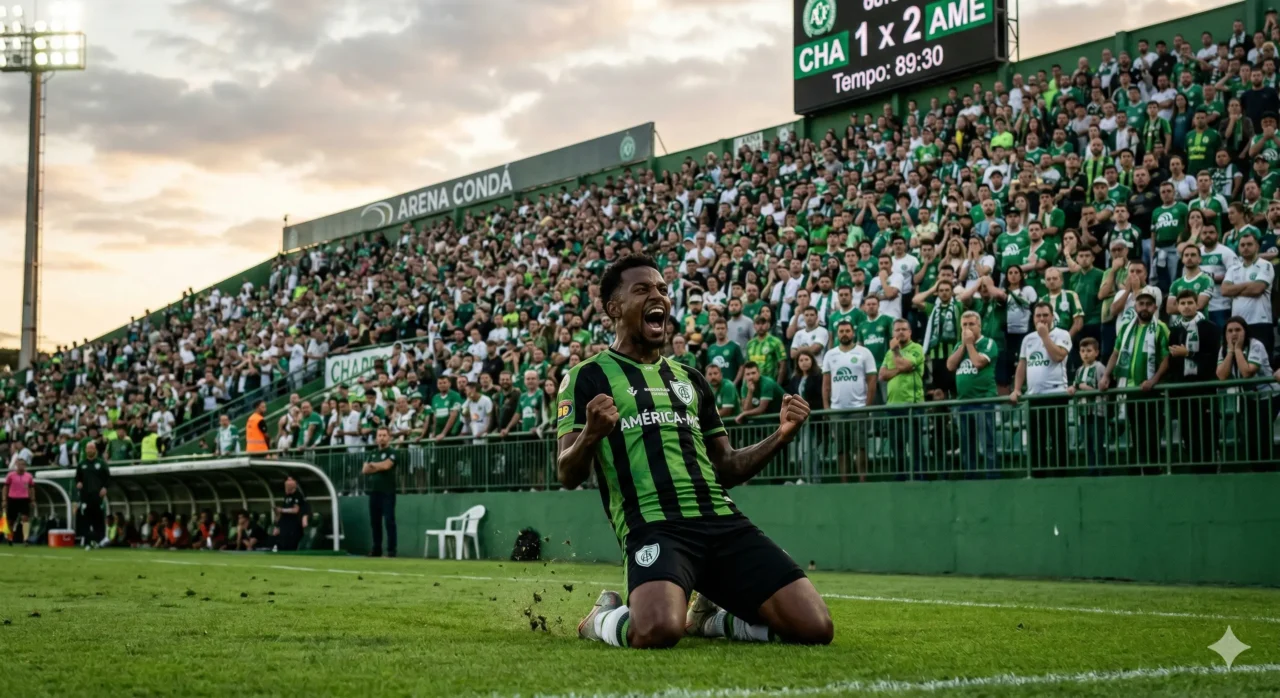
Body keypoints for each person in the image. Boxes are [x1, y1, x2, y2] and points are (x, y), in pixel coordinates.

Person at [557, 256, 831, 650]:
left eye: (663, 289)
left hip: (720, 521)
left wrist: (780, 437)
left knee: (815, 628)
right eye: (643, 290)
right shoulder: (586, 376)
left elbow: (728, 467)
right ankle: (603, 617)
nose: (659, 297)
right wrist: (590, 436)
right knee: (657, 631)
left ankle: (709, 620)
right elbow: (567, 474)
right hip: (654, 525)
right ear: (614, 308)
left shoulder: (690, 378)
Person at [1101, 288, 1170, 470]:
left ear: (1155, 307)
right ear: (1135, 306)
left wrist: (1153, 380)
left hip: (1151, 390)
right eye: (1141, 304)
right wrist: (1107, 376)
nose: (1144, 307)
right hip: (1131, 389)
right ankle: (1140, 468)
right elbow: (1115, 353)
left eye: (1148, 304)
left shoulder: (1160, 327)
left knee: (1151, 433)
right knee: (1136, 433)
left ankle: (1153, 469)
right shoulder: (1126, 327)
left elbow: (1166, 358)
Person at [1012, 303, 1072, 473]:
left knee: (1059, 440)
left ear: (1052, 316)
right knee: (1036, 442)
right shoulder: (1028, 339)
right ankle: (1038, 477)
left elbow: (1058, 356)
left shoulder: (1062, 334)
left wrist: (1045, 337)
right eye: (1038, 316)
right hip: (1034, 397)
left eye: (1045, 315)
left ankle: (1061, 477)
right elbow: (1022, 365)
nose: (1042, 319)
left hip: (1056, 393)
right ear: (1033, 318)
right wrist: (1017, 388)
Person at [1167, 289, 1222, 466]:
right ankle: (1195, 470)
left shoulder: (1209, 327)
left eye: (1190, 303)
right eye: (1182, 303)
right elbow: (1172, 362)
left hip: (1204, 387)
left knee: (1207, 433)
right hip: (1184, 390)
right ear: (1177, 306)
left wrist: (1189, 353)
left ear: (1197, 304)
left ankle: (1212, 468)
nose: (1186, 307)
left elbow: (1213, 358)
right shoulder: (1175, 331)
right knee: (1188, 434)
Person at [1215, 316, 1277, 464]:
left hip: (1268, 396)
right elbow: (1221, 375)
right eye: (1230, 331)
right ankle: (1254, 468)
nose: (1234, 334)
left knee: (1261, 435)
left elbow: (1247, 372)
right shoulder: (1224, 348)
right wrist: (1230, 351)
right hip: (1247, 397)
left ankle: (1266, 469)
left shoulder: (1256, 345)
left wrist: (1237, 349)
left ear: (1245, 331)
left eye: (1238, 330)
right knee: (1248, 437)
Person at [821, 320, 877, 482]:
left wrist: (867, 406)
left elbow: (872, 381)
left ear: (853, 333)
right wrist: (827, 408)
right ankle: (844, 482)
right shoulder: (830, 355)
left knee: (860, 447)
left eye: (847, 331)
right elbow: (826, 384)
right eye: (841, 331)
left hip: (858, 408)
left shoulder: (864, 353)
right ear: (837, 334)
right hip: (837, 410)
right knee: (841, 449)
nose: (844, 334)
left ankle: (862, 480)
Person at [948, 311, 999, 475]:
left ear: (979, 325)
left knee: (987, 443)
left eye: (971, 324)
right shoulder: (959, 345)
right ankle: (970, 476)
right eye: (964, 325)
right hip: (963, 402)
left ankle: (992, 476)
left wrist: (969, 344)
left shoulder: (988, 343)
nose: (967, 328)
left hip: (984, 400)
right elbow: (950, 365)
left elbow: (978, 363)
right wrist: (963, 345)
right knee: (966, 445)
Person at [879, 318, 925, 477]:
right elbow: (882, 375)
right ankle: (900, 479)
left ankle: (919, 480)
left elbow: (905, 365)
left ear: (910, 332)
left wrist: (897, 353)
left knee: (915, 447)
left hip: (912, 405)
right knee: (896, 448)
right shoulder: (888, 352)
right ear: (893, 333)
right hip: (893, 406)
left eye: (903, 329)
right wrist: (900, 369)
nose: (900, 332)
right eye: (897, 330)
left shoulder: (917, 348)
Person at [1222, 231, 1275, 359]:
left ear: (1257, 246)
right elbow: (1224, 291)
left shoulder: (1265, 265)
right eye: (1243, 245)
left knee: (1263, 362)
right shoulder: (1233, 269)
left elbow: (1257, 289)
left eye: (1249, 244)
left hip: (1260, 322)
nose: (1245, 247)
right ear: (1239, 248)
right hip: (1238, 325)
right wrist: (1248, 285)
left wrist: (1235, 290)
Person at [1068, 338, 1108, 472]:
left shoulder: (1100, 367)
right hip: (1083, 412)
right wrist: (1073, 388)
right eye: (1083, 351)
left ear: (1096, 352)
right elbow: (1076, 385)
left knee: (1098, 444)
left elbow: (1103, 390)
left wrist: (1085, 388)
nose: (1085, 354)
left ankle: (1101, 470)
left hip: (1098, 412)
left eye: (1089, 351)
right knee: (1088, 443)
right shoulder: (1079, 370)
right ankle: (1091, 469)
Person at [362, 427, 398, 558]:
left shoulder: (392, 452)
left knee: (389, 521)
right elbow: (365, 470)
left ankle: (391, 550)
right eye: (379, 435)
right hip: (374, 491)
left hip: (388, 491)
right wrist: (378, 466)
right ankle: (376, 549)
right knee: (375, 522)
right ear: (376, 438)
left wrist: (374, 465)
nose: (382, 437)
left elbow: (387, 466)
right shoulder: (372, 453)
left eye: (384, 435)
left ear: (389, 437)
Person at [75, 441, 110, 549]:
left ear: (95, 450)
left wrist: (105, 487)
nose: (90, 450)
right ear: (85, 450)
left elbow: (108, 477)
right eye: (88, 448)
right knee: (85, 520)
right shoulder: (81, 464)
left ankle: (100, 540)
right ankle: (87, 542)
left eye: (92, 448)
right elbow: (77, 478)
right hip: (85, 496)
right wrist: (78, 483)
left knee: (98, 519)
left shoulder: (101, 463)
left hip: (97, 496)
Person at [3, 455, 34, 546]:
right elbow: (6, 487)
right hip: (12, 498)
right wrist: (4, 499)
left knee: (25, 518)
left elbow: (31, 488)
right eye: (20, 464)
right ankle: (9, 537)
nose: (21, 466)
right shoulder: (10, 475)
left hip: (24, 499)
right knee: (10, 521)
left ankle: (25, 539)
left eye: (23, 465)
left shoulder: (29, 476)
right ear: (16, 465)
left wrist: (32, 500)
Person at [273, 476, 308, 551]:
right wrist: (277, 526)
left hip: (293, 527)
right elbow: (281, 514)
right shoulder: (286, 496)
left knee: (291, 547)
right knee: (282, 545)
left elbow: (296, 510)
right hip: (284, 527)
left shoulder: (298, 495)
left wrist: (282, 510)